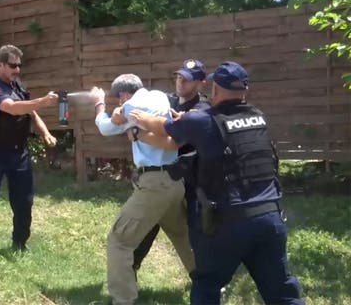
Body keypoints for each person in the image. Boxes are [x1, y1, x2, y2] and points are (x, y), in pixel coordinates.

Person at [129, 61, 303, 304]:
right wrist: (188, 123)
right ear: (245, 90)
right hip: (270, 219)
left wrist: (137, 117)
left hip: (229, 222)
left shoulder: (203, 121)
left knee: (207, 285)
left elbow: (160, 127)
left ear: (215, 90)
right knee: (282, 292)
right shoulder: (258, 118)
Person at [90, 74, 194, 305]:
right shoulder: (159, 98)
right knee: (182, 235)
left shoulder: (132, 106)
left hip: (154, 185)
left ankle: (123, 300)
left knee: (119, 241)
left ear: (124, 94)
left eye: (119, 98)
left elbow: (106, 128)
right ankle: (209, 284)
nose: (119, 103)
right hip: (175, 182)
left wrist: (99, 104)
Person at [0, 44, 57, 265]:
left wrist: (45, 132)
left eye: (19, 66)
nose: (17, 70)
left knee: (24, 202)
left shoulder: (18, 86)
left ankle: (20, 244)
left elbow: (30, 111)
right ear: (0, 65)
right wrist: (44, 101)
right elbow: (12, 108)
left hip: (19, 154)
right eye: (13, 66)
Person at [130, 59, 210, 271]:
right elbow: (138, 116)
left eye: (188, 80)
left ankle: (205, 278)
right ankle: (131, 267)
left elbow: (179, 135)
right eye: (179, 76)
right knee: (147, 224)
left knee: (196, 230)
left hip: (193, 181)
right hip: (165, 177)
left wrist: (142, 132)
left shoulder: (203, 108)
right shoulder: (167, 102)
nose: (181, 82)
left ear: (202, 83)